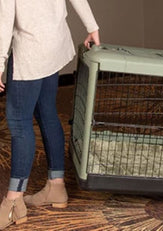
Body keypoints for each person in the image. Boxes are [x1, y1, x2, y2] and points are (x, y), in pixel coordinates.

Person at [0, 0, 100, 229]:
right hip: (54, 44)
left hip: (31, 51)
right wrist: (92, 27)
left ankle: (13, 201)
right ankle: (56, 187)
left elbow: (4, 21)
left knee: (18, 122)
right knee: (47, 112)